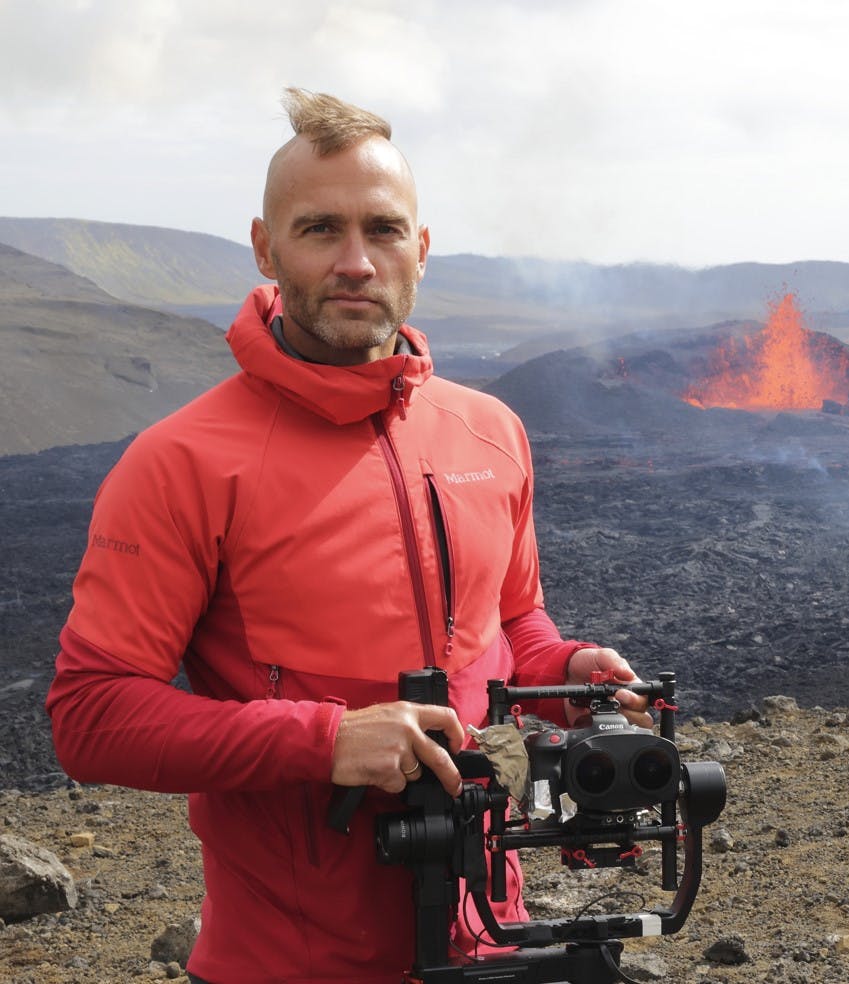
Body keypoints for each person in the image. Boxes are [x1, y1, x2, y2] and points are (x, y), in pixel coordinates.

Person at [45, 87, 648, 983]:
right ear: (265, 246)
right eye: (321, 229)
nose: (357, 262)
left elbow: (513, 628)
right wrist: (323, 740)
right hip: (287, 960)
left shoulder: (489, 431)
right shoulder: (181, 462)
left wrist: (570, 678)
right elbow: (90, 715)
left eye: (384, 229)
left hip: (490, 939)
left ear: (423, 249)